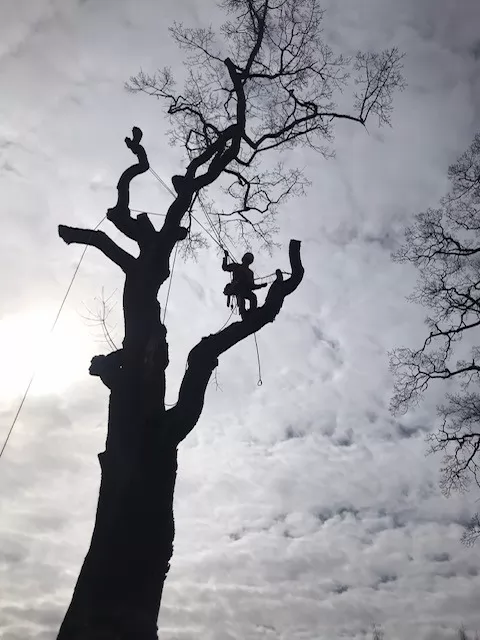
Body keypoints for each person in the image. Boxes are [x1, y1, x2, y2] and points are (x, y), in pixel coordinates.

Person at [222, 250, 267, 319]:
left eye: (248, 260)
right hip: (236, 288)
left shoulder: (250, 273)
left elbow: (252, 286)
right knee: (241, 294)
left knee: (253, 297)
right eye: (246, 259)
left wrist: (261, 286)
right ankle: (243, 314)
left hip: (245, 290)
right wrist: (225, 257)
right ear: (243, 259)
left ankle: (252, 313)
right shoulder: (236, 266)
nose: (246, 262)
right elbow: (225, 268)